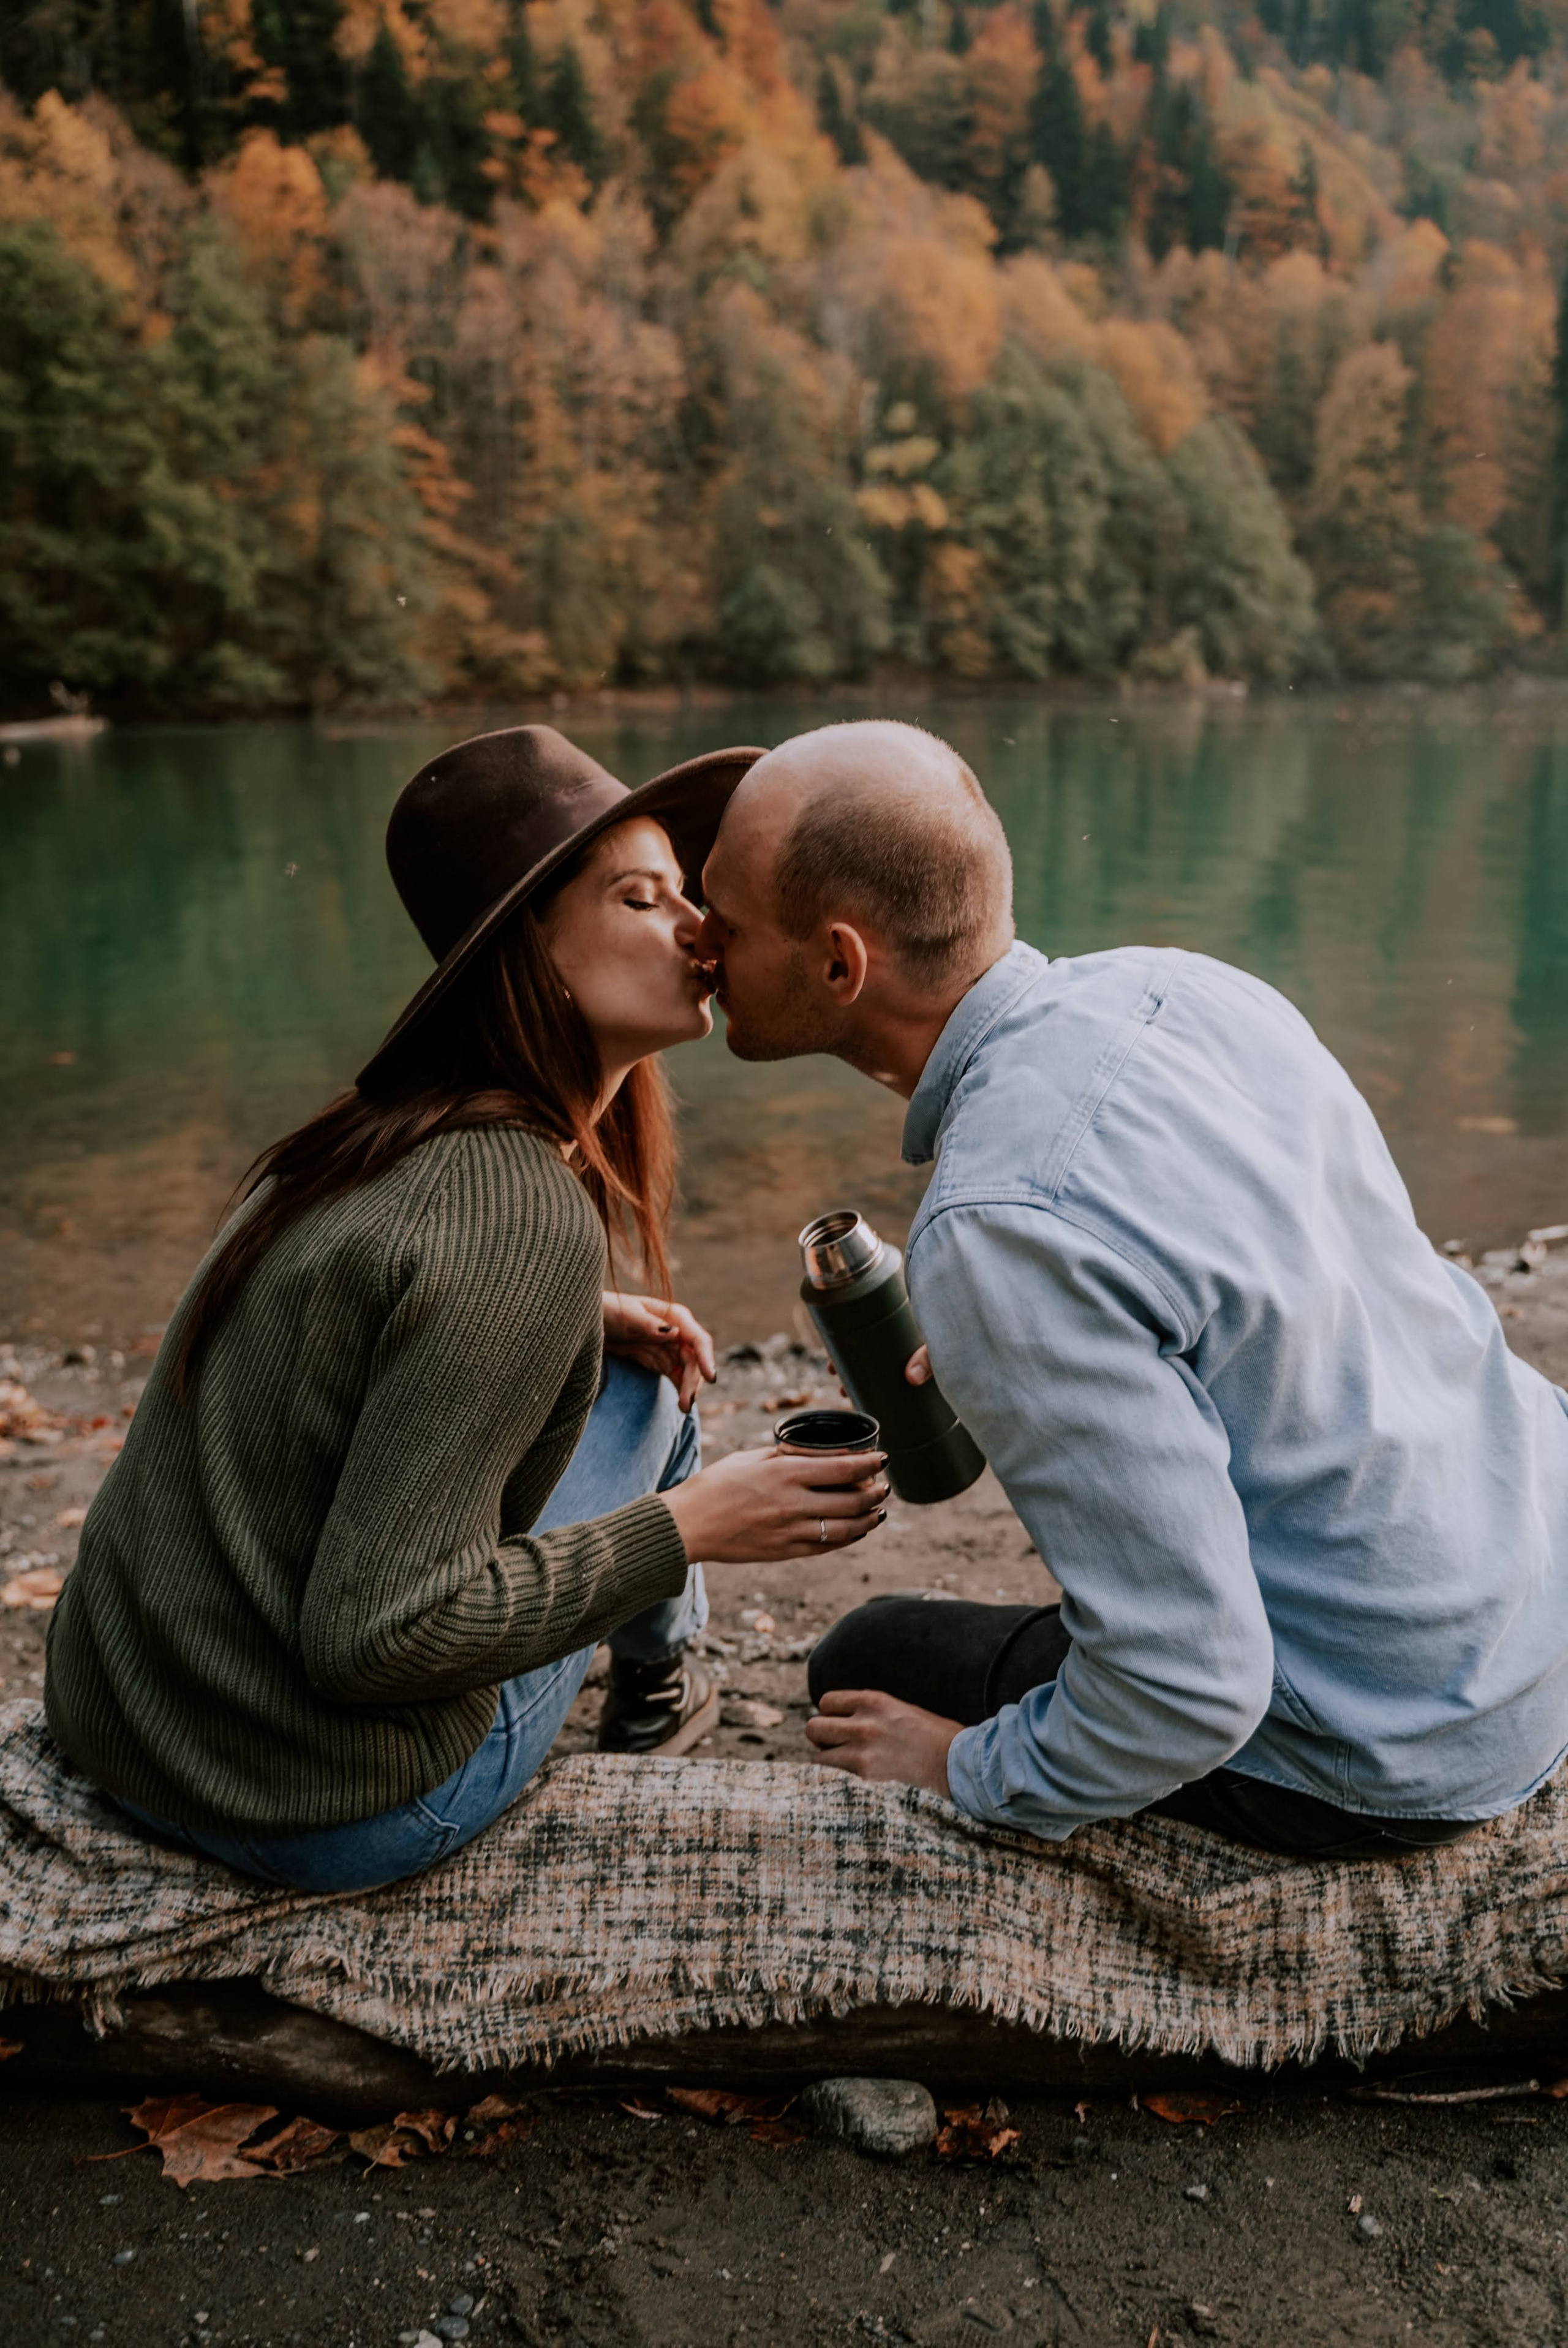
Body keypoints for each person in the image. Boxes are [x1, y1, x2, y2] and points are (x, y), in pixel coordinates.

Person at [696, 718, 1568, 1862]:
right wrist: (1016, 1343)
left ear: (840, 964)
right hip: (1528, 1605)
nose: (699, 945)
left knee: (862, 1661)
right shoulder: (1192, 990)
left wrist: (965, 1767)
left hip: (1398, 1745)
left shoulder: (996, 1222)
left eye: (726, 921)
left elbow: (1193, 1685)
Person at [45, 725, 888, 1893]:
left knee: (631, 1364)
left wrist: (574, 1311)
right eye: (643, 900)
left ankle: (655, 1673)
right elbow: (380, 1633)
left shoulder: (376, 1138)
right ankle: (659, 1685)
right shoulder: (521, 1211)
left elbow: (358, 1303)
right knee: (658, 1411)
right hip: (314, 1805)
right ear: (532, 954)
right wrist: (692, 1523)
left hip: (136, 1726)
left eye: (685, 893)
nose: (698, 927)